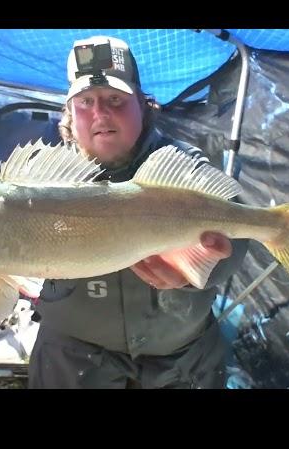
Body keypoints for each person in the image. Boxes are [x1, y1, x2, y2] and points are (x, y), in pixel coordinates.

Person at [28, 35, 248, 389]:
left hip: (181, 357)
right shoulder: (40, 176)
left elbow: (235, 234)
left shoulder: (185, 166)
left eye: (115, 99)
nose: (100, 113)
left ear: (142, 105)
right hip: (75, 357)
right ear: (70, 113)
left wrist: (198, 270)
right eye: (85, 102)